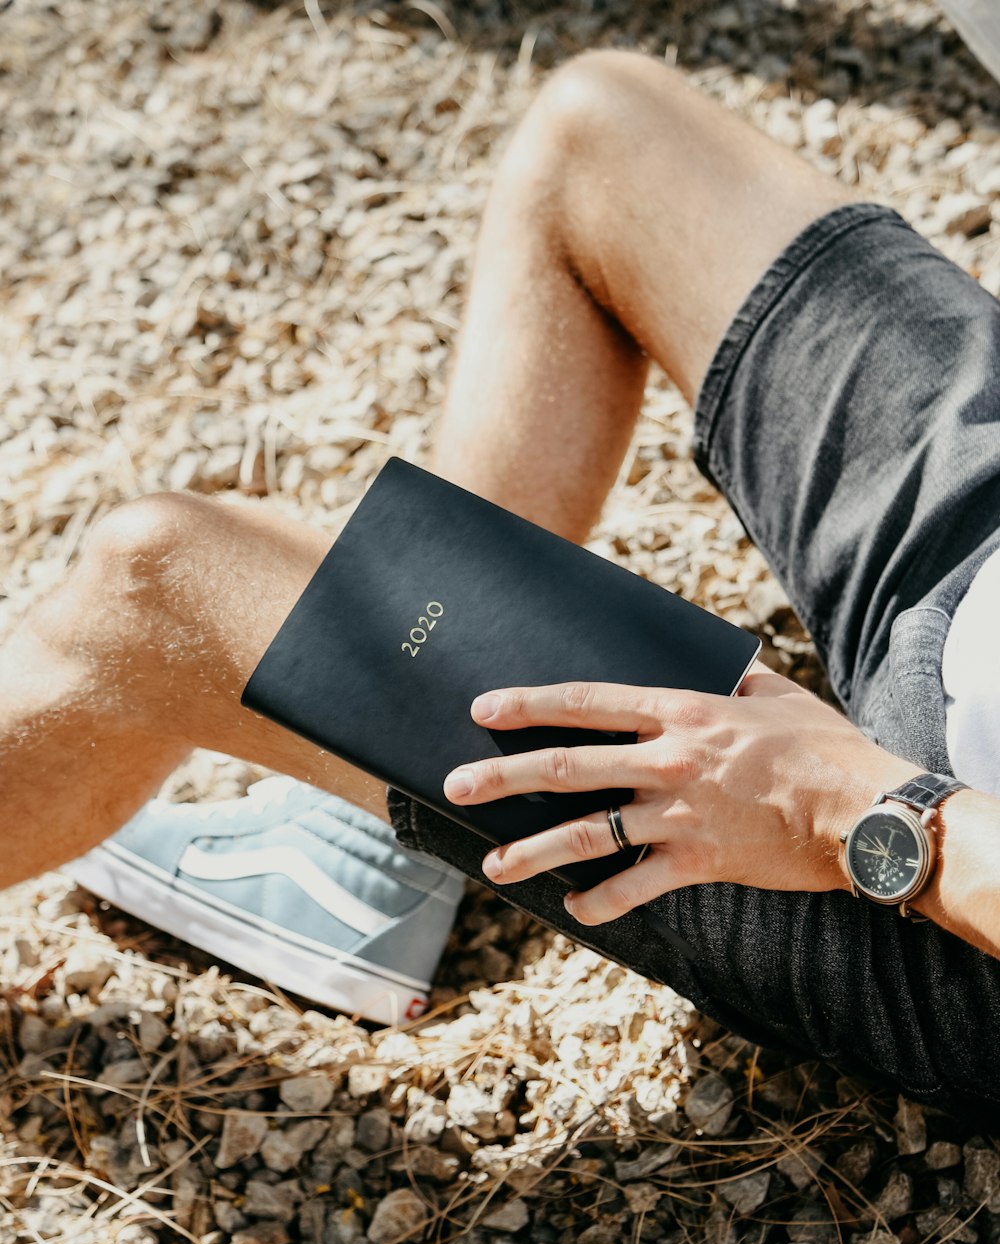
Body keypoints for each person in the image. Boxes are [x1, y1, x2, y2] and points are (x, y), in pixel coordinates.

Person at [4, 53, 1000, 1120]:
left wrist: (860, 806)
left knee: (159, 585)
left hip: (939, 877)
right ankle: (389, 814)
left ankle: (381, 806)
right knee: (606, 138)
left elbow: (871, 812)